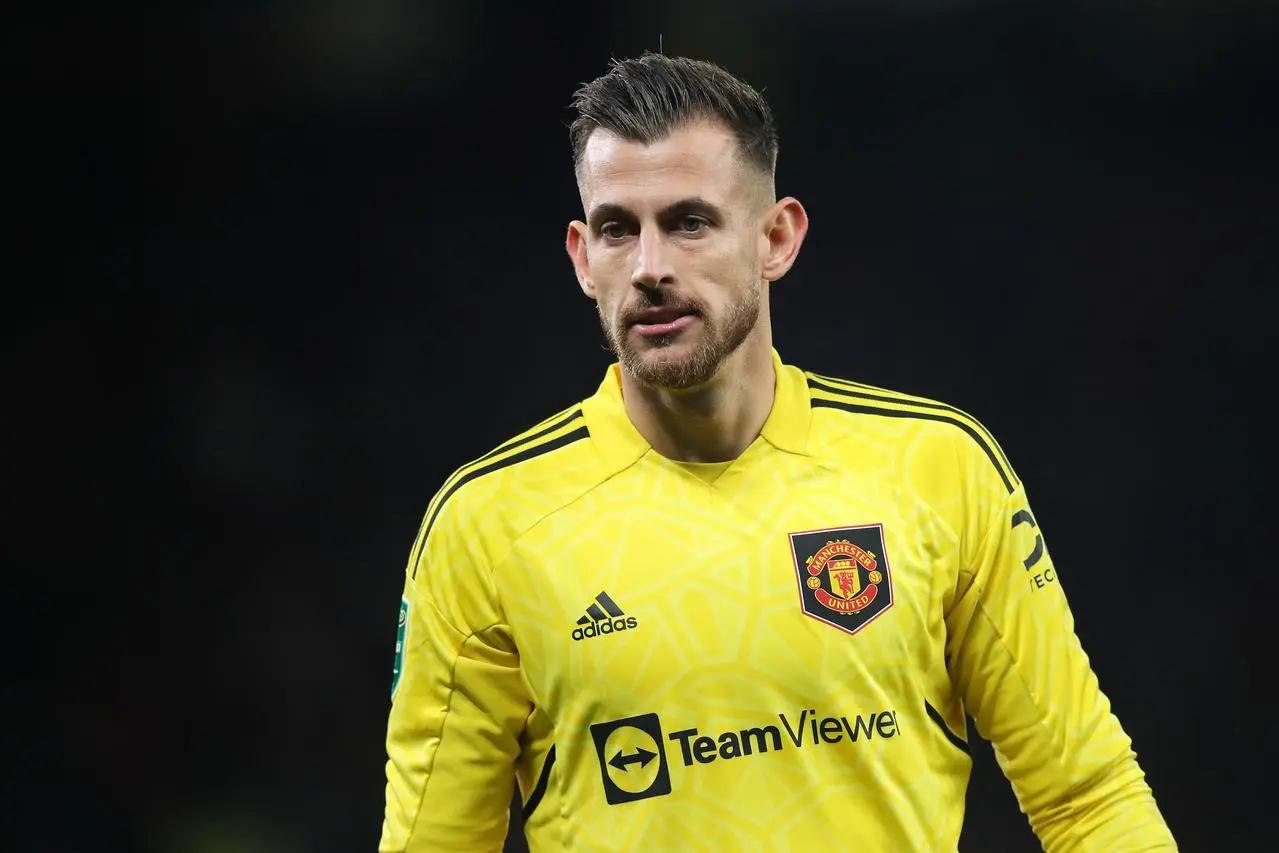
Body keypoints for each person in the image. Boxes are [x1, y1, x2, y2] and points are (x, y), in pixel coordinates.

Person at [378, 53, 1177, 852]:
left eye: (689, 221)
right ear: (583, 258)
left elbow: (1087, 798)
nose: (650, 267)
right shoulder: (487, 526)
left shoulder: (936, 470)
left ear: (776, 238)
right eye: (619, 228)